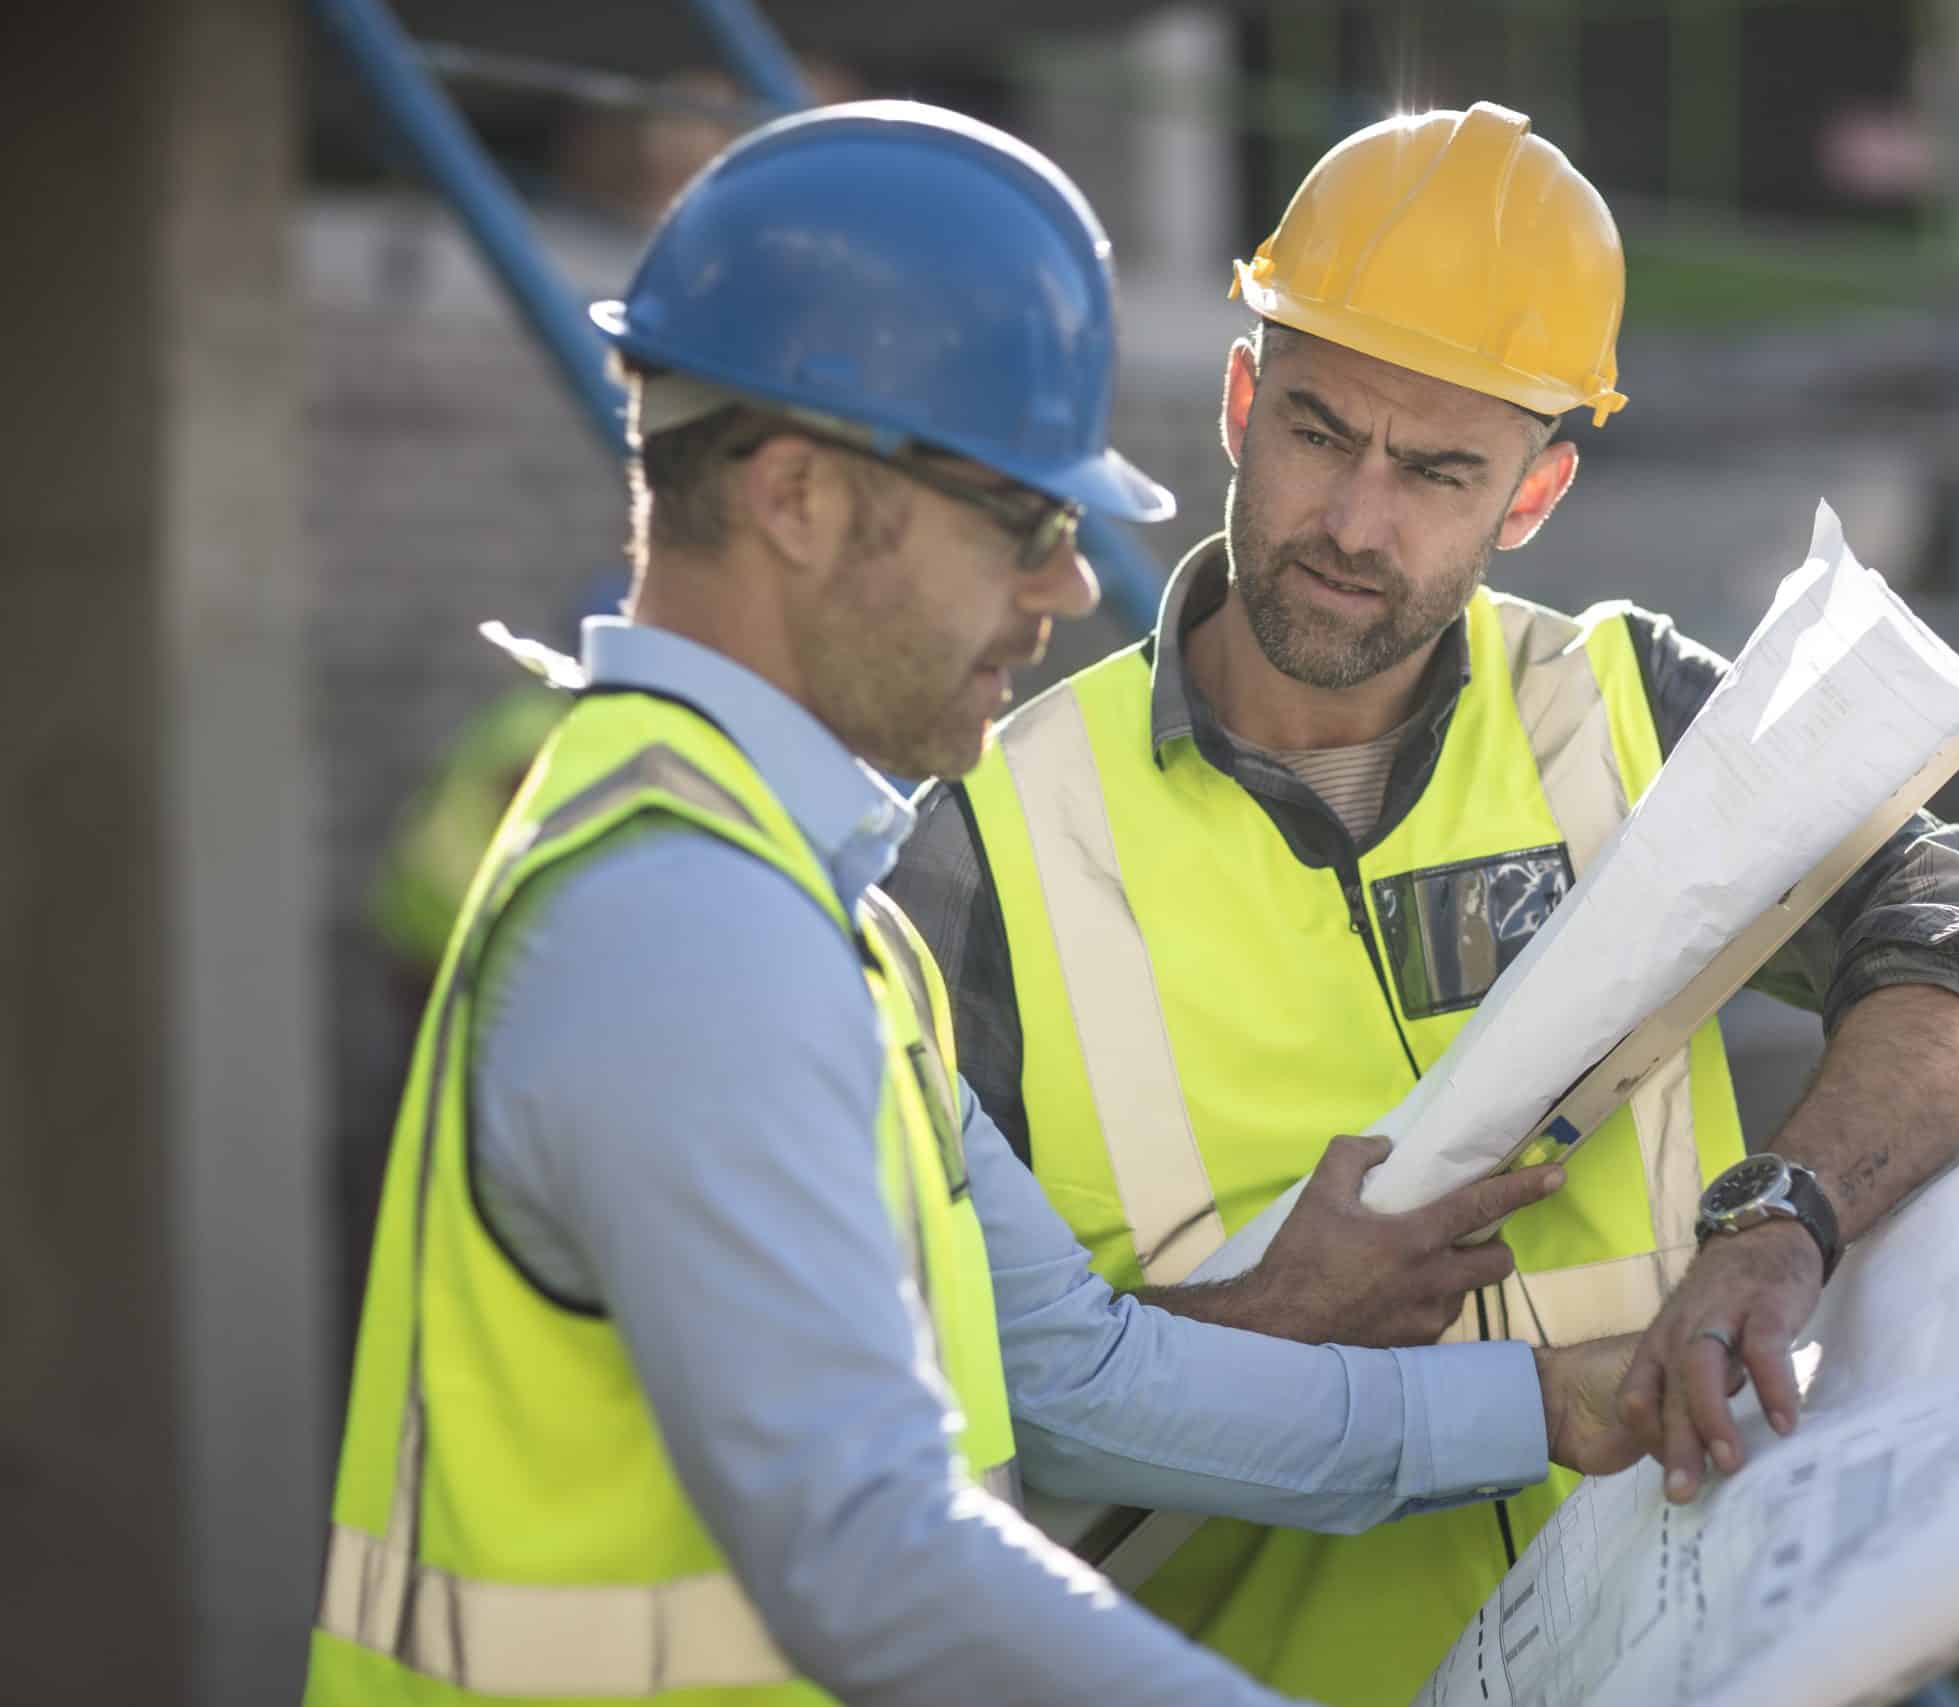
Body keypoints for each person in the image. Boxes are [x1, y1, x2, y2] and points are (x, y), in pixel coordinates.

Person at [306, 101, 1648, 1707]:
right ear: (798, 497)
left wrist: (1555, 1410)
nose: (1070, 586)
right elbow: (873, 1557)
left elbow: (1078, 1377)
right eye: (1021, 518)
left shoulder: (806, 901)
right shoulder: (683, 932)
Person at [885, 100, 1959, 1705]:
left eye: (1438, 471)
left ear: (1535, 494)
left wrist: (1787, 1222)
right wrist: (1255, 1320)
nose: (1357, 525)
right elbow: (916, 1407)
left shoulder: (1632, 712)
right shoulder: (986, 838)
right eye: (1318, 433)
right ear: (1241, 396)